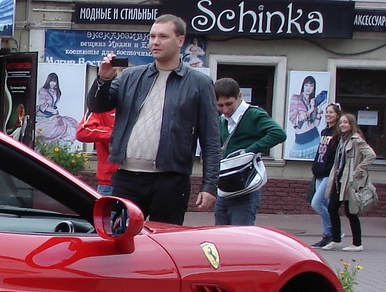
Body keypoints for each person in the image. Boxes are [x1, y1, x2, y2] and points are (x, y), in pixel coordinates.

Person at [87, 14, 220, 225]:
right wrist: (103, 79)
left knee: (163, 239)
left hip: (170, 180)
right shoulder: (130, 76)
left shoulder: (199, 83)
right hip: (127, 177)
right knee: (118, 236)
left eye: (163, 36)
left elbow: (211, 138)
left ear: (180, 40)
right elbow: (97, 106)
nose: (155, 42)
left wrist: (209, 185)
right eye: (152, 36)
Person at [212, 78, 287, 226]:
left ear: (240, 96)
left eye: (229, 104)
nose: (225, 110)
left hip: (246, 186)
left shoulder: (253, 114)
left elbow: (279, 133)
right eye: (220, 105)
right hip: (225, 185)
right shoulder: (222, 119)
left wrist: (250, 151)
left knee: (240, 234)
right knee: (221, 233)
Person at [324, 112, 377, 252]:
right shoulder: (342, 139)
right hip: (338, 180)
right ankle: (336, 240)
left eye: (345, 122)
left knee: (350, 212)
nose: (342, 125)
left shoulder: (356, 139)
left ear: (351, 124)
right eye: (341, 122)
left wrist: (358, 170)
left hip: (349, 181)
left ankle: (357, 243)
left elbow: (371, 155)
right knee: (332, 208)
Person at [309, 103, 342, 248]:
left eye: (331, 112)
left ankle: (335, 232)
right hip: (319, 172)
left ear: (337, 115)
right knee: (325, 205)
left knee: (316, 203)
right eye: (327, 112)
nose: (328, 114)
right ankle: (327, 235)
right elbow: (321, 152)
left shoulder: (338, 133)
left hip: (330, 173)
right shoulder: (324, 131)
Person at [76, 110, 117, 195]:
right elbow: (83, 132)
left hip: (142, 180)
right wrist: (117, 133)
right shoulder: (102, 106)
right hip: (109, 181)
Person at [34, 72, 80, 144]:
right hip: (43, 114)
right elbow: (42, 105)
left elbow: (54, 103)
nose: (53, 83)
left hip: (52, 114)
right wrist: (53, 111)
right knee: (57, 124)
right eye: (51, 81)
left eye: (54, 81)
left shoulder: (56, 91)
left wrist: (54, 111)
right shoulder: (43, 90)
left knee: (67, 123)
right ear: (48, 81)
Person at [288, 75, 326, 161]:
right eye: (306, 85)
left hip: (314, 136)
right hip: (300, 138)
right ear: (303, 86)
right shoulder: (296, 98)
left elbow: (315, 124)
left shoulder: (313, 102)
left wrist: (319, 109)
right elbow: (294, 118)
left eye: (311, 86)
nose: (308, 88)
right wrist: (310, 110)